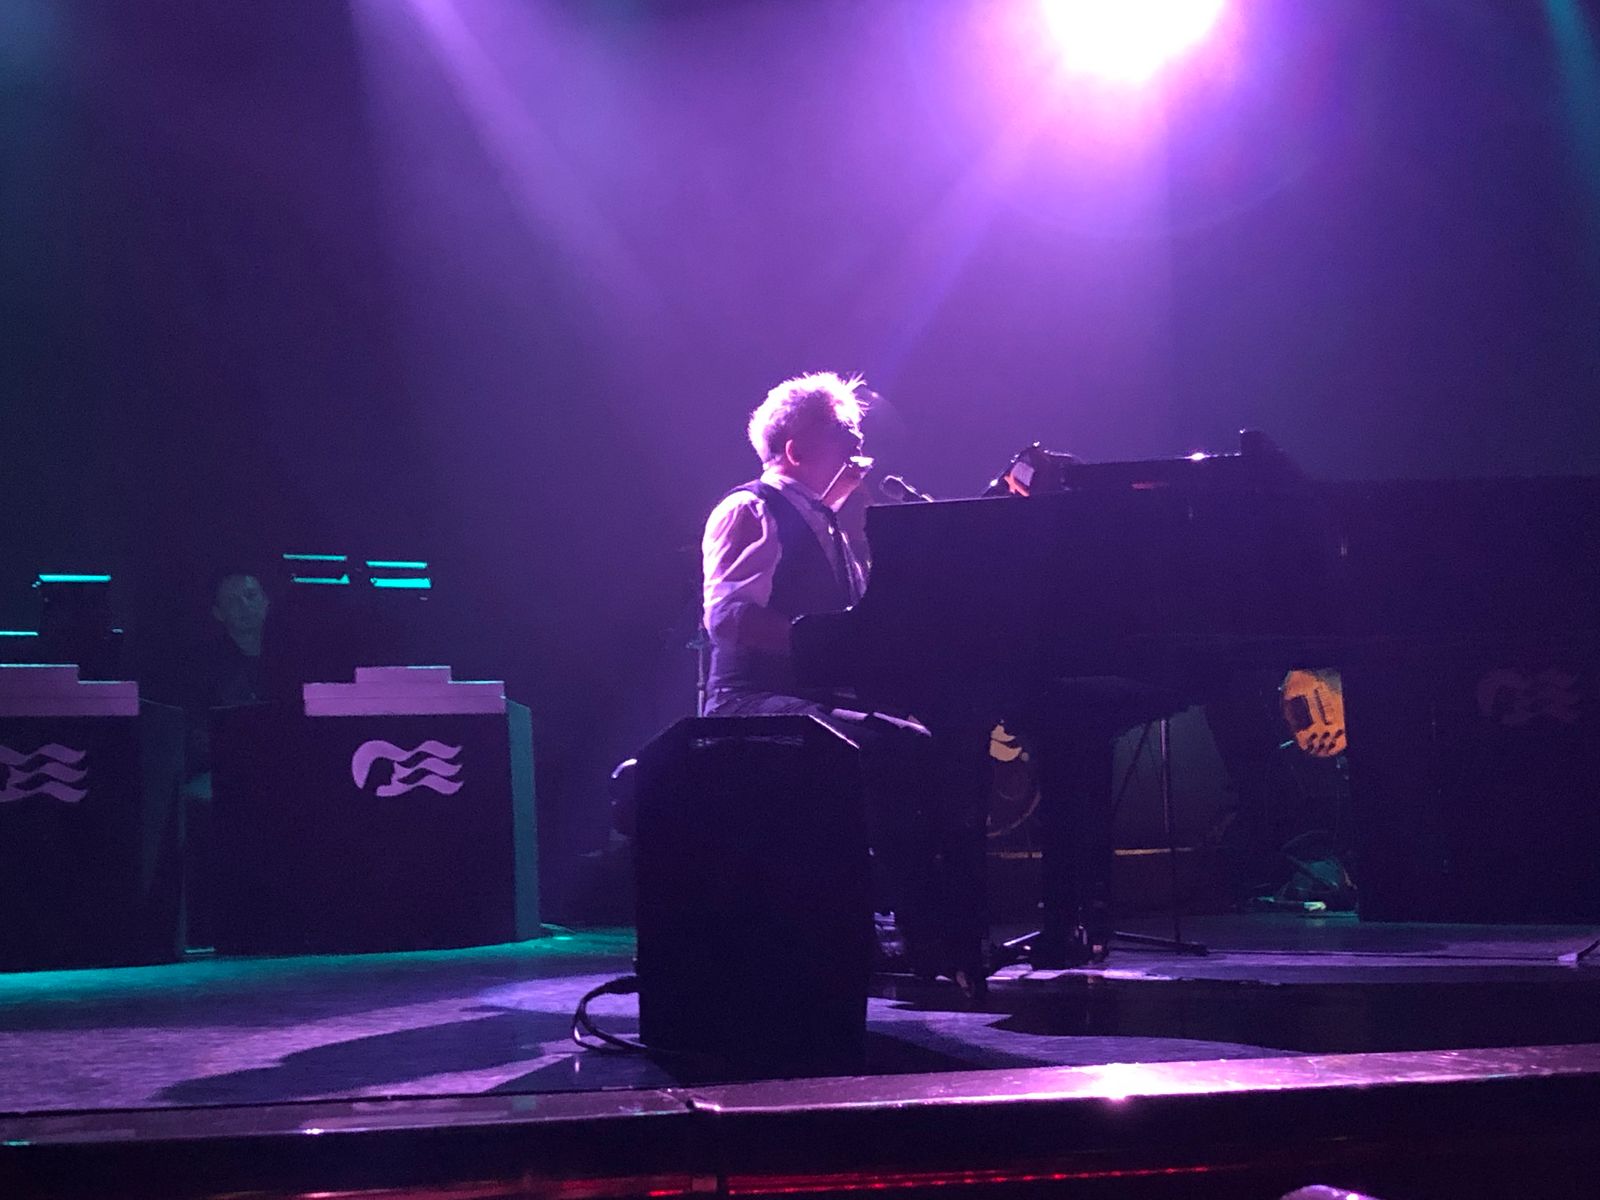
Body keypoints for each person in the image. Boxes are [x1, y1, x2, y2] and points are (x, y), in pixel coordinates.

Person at [700, 371, 987, 990]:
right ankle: (921, 938)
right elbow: (729, 620)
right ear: (796, 448)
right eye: (843, 431)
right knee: (893, 748)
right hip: (750, 700)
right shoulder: (751, 508)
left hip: (810, 697)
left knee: (930, 740)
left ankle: (930, 934)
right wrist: (829, 646)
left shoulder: (830, 520)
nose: (859, 443)